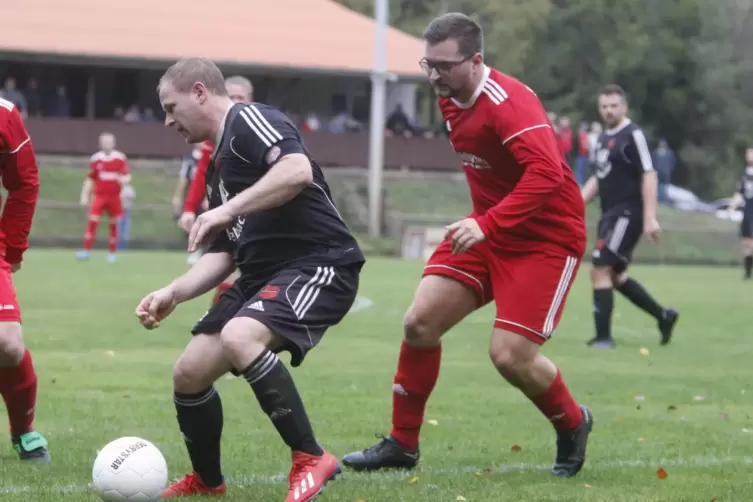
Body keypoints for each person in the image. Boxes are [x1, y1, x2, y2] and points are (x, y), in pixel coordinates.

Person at [341, 13, 592, 478]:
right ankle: (402, 444)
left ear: (476, 61)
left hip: (546, 240)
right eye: (427, 64)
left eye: (444, 66)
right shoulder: (450, 94)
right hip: (489, 230)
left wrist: (490, 222)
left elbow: (547, 175)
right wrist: (487, 223)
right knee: (419, 323)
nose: (434, 75)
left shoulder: (509, 103)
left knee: (509, 356)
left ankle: (573, 423)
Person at [135, 58, 364, 501]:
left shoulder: (249, 119)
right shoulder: (218, 170)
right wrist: (173, 293)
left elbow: (296, 171)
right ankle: (207, 482)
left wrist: (226, 209)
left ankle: (311, 456)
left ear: (200, 92)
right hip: (261, 276)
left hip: (320, 263)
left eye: (170, 106)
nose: (167, 120)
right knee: (189, 373)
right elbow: (224, 253)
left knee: (241, 336)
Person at [581, 85, 679, 348]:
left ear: (624, 107)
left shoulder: (632, 135)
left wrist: (650, 218)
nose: (609, 110)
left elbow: (649, 174)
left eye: (614, 105)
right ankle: (663, 315)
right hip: (609, 214)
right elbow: (598, 178)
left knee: (599, 268)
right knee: (614, 277)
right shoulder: (602, 138)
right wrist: (576, 202)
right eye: (604, 106)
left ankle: (603, 339)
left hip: (627, 213)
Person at [0, 96, 50, 463]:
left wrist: (11, 247)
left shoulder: (4, 113)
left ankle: (24, 430)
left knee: (7, 343)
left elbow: (24, 181)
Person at [178, 76, 254, 301]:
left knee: (248, 271)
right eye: (231, 97)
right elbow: (202, 173)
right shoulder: (215, 137)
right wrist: (189, 209)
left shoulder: (260, 133)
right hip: (230, 214)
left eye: (240, 97)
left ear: (250, 100)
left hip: (259, 211)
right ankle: (221, 317)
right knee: (230, 267)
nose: (235, 102)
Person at [76, 132, 131, 263]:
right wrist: (84, 195)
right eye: (104, 142)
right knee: (92, 222)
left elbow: (127, 176)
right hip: (99, 196)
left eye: (109, 141)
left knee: (113, 224)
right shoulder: (96, 159)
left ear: (114, 143)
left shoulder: (120, 158)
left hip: (114, 197)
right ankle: (86, 251)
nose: (107, 144)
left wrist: (124, 181)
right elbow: (90, 179)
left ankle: (112, 254)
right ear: (100, 144)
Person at [726, 147, 753, 279]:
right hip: (748, 209)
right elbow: (740, 193)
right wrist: (732, 207)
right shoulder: (745, 174)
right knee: (746, 242)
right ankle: (748, 272)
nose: (749, 156)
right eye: (748, 153)